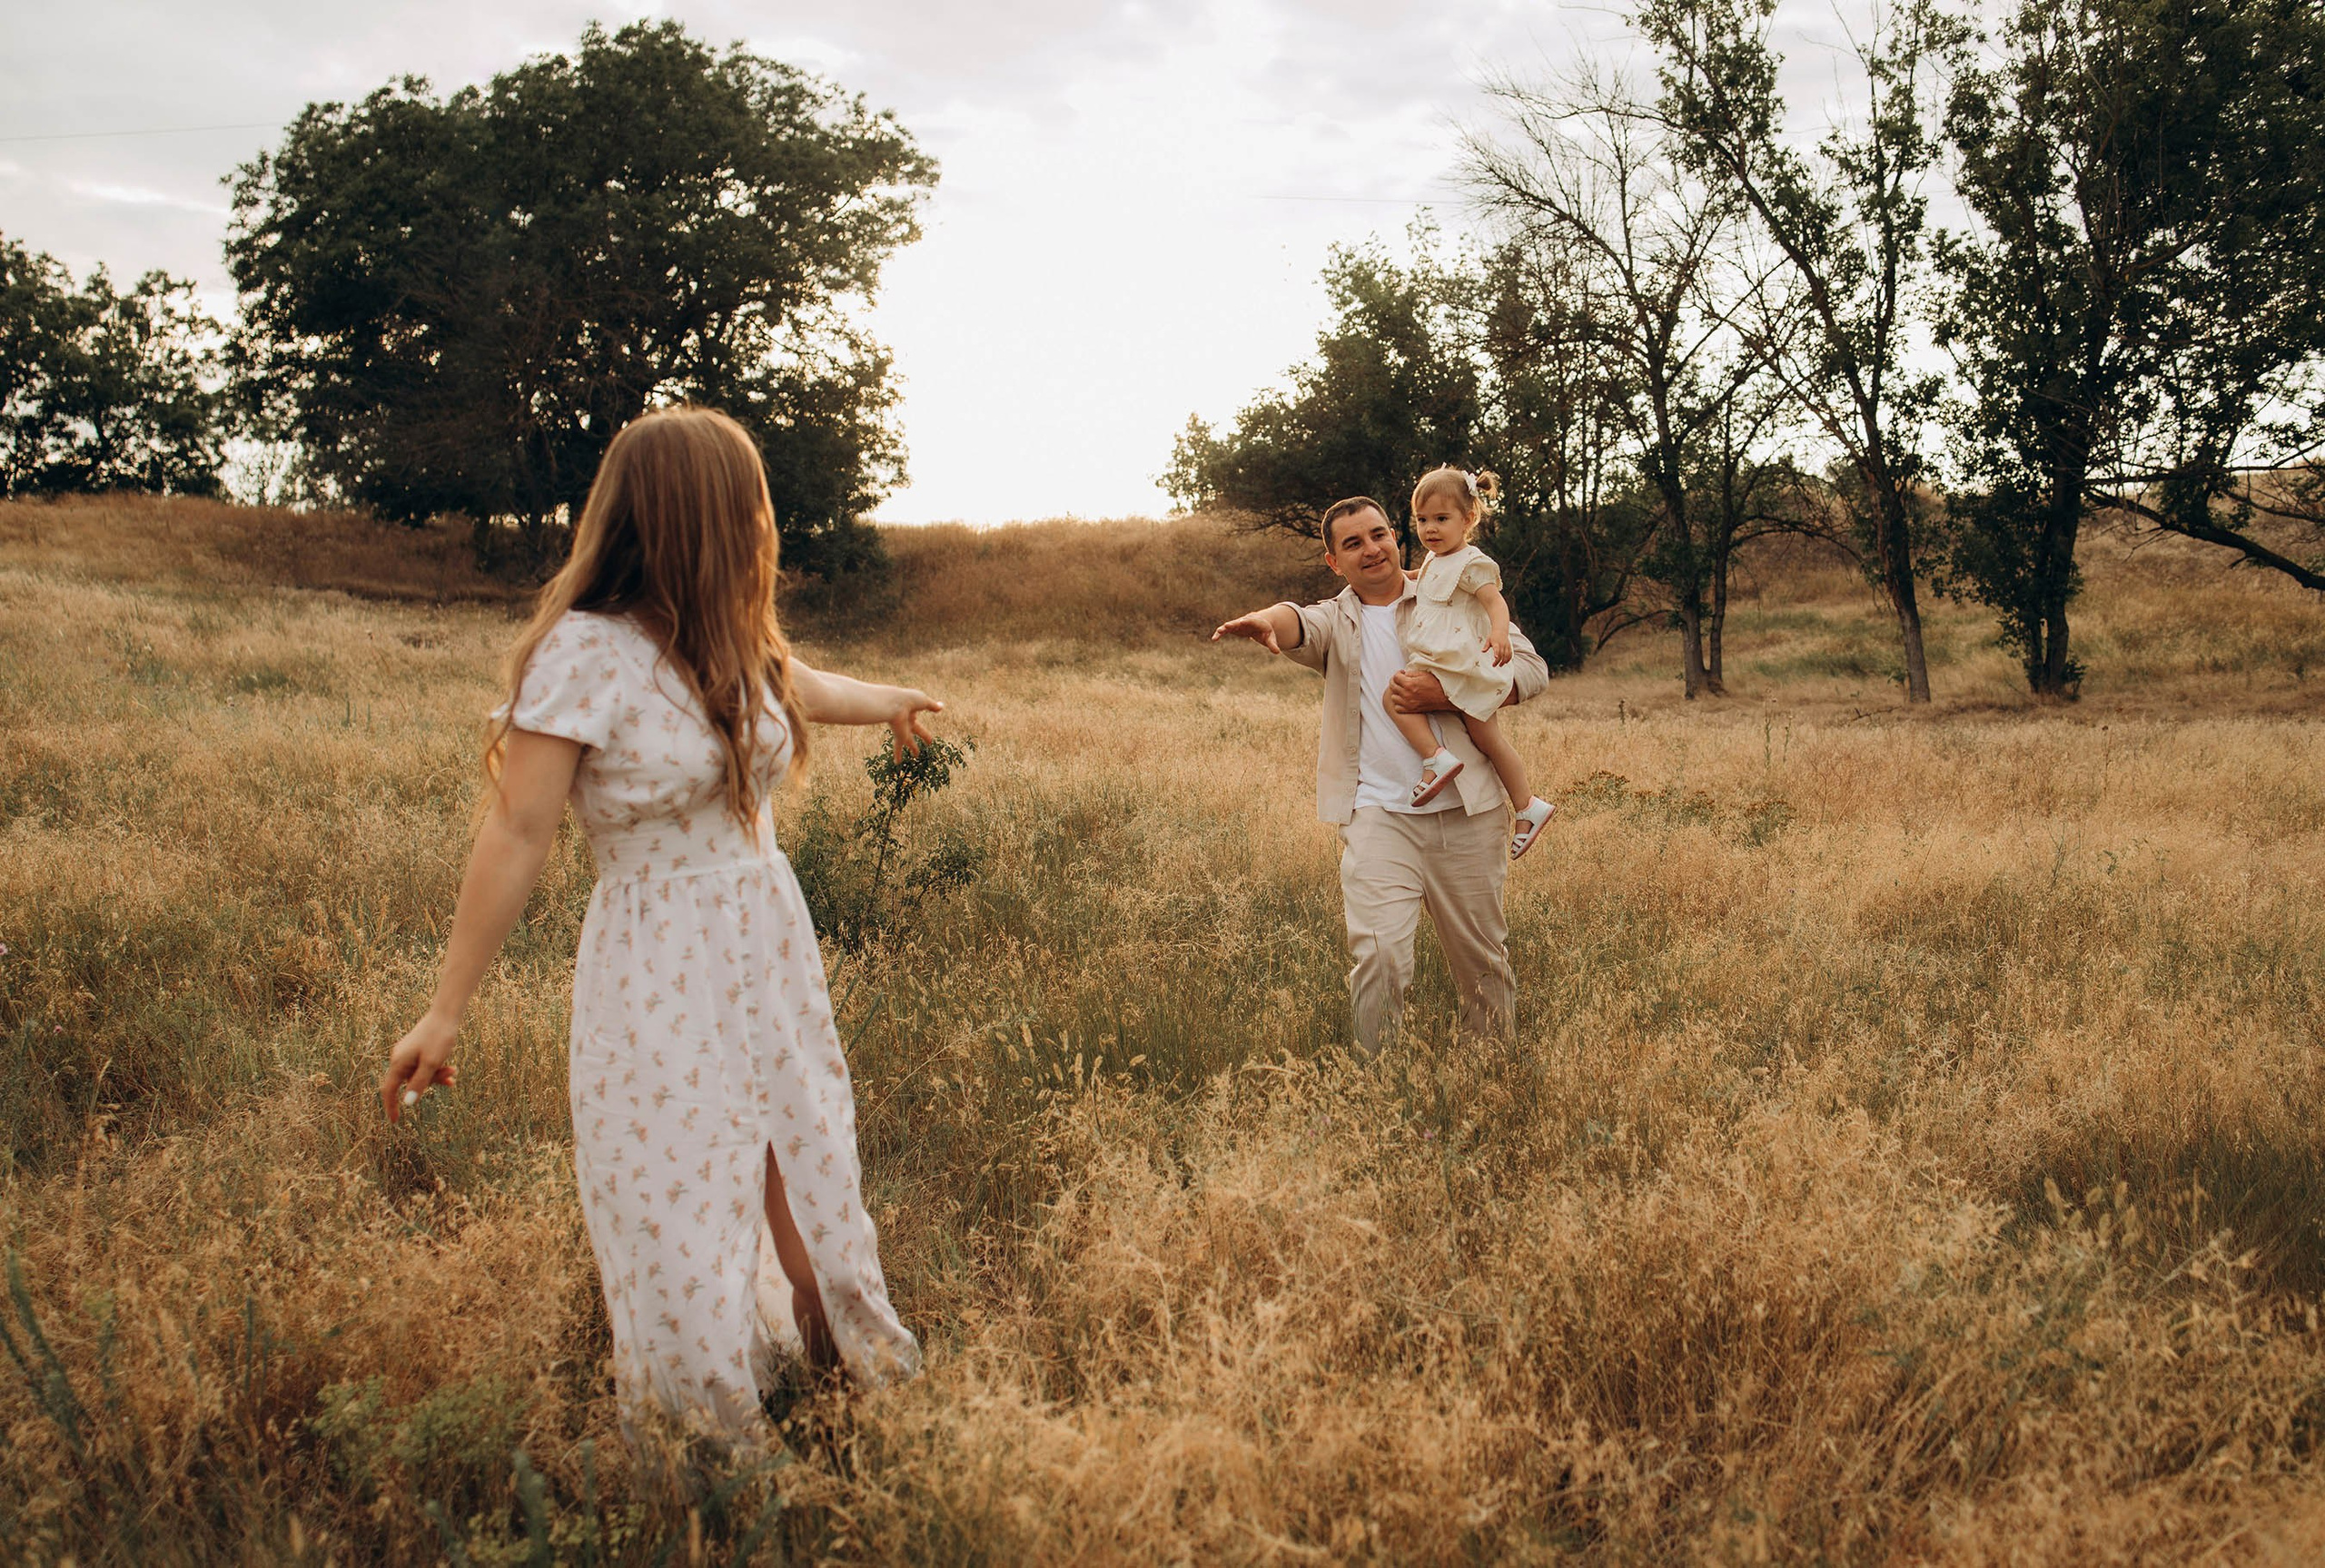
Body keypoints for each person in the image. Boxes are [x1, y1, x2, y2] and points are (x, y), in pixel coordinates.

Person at [379, 406, 932, 1440]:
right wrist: (446, 1008)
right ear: (701, 514)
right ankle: (710, 1442)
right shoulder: (583, 652)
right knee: (681, 1199)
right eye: (748, 503)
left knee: (809, 1179)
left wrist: (894, 696)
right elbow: (518, 827)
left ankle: (859, 1406)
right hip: (658, 960)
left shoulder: (731, 632)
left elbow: (800, 685)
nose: (761, 520)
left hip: (766, 942)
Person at [1212, 496, 1552, 1056]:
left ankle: (1490, 1075)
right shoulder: (1335, 620)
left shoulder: (1451, 593)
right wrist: (1264, 621)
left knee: (1483, 962)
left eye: (1378, 535)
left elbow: (1532, 671)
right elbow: (1294, 619)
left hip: (1468, 813)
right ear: (1333, 561)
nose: (1370, 549)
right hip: (1378, 817)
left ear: (1396, 538)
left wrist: (1443, 693)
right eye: (1353, 543)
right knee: (1381, 955)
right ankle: (1379, 1081)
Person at [1388, 467, 1556, 860]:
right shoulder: (1433, 560)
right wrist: (1393, 576)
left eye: (1441, 519)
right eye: (1423, 520)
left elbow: (1494, 601)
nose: (1430, 528)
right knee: (1488, 738)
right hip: (1453, 663)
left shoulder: (1471, 562)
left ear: (1468, 519)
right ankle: (1528, 804)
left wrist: (1499, 633)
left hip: (1457, 662)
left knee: (1394, 698)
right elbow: (1424, 582)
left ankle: (1436, 759)